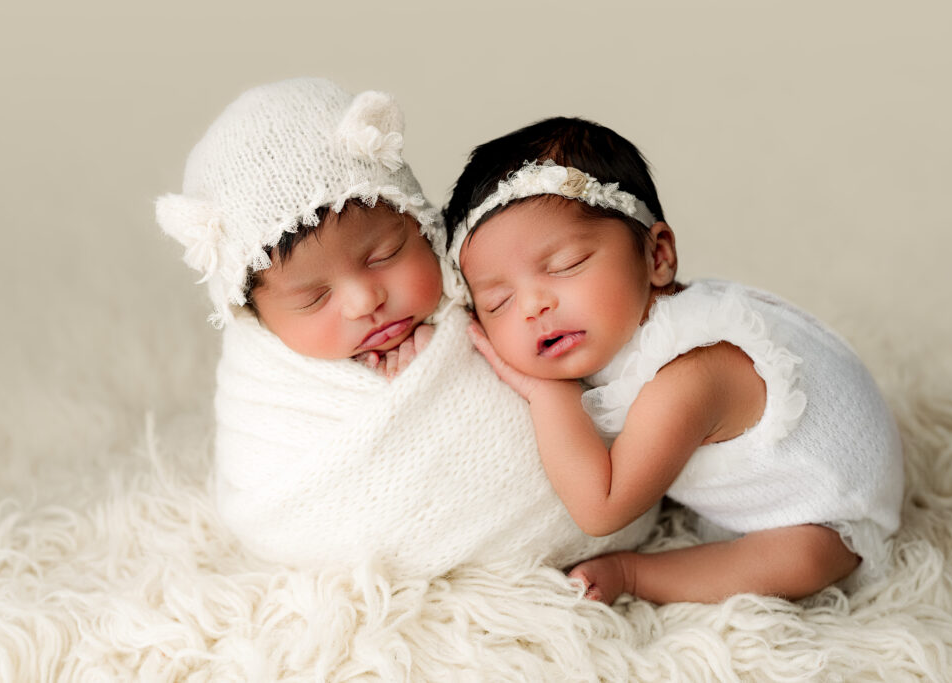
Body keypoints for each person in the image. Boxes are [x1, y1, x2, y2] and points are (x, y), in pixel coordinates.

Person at [155, 80, 654, 578]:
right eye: (314, 298)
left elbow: (596, 406)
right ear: (255, 316)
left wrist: (453, 367)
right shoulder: (265, 389)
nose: (363, 301)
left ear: (422, 225)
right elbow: (275, 507)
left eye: (385, 255)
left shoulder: (496, 287)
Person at [446, 116, 904, 604]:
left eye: (565, 266)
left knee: (805, 557)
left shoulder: (690, 374)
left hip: (832, 504)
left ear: (657, 255)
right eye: (498, 302)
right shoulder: (625, 326)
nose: (533, 306)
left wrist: (547, 392)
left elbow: (600, 507)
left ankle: (638, 574)